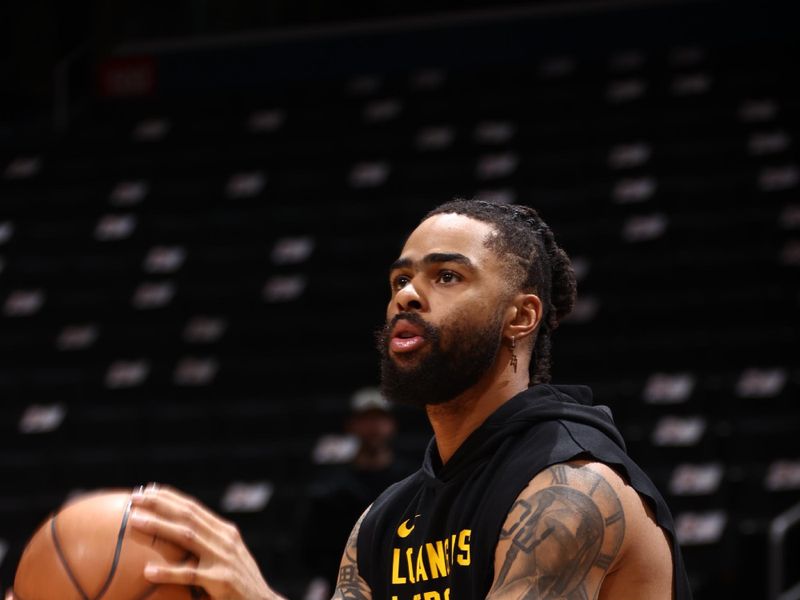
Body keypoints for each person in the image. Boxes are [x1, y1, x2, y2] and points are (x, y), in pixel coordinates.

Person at [128, 199, 692, 599]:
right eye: (400, 279)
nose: (407, 295)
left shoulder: (574, 493)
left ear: (520, 317)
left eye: (446, 276)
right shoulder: (383, 518)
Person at [301, 389, 415, 593]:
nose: (373, 427)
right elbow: (311, 551)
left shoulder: (412, 481)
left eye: (379, 419)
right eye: (366, 419)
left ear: (392, 425)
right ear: (351, 425)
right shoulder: (331, 490)